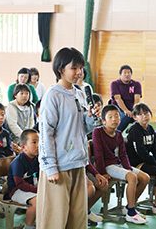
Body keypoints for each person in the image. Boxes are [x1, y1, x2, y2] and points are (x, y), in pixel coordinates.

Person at [37, 47, 100, 229]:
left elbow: (81, 129)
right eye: (74, 68)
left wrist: (90, 117)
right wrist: (50, 167)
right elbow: (45, 133)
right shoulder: (53, 95)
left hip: (77, 163)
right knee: (55, 219)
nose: (79, 72)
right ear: (60, 69)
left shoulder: (79, 93)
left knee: (76, 218)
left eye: (80, 68)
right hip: (59, 166)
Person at [93, 104, 149, 224]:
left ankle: (129, 206)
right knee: (132, 177)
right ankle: (131, 213)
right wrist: (102, 172)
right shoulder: (98, 132)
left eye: (117, 116)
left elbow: (123, 155)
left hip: (118, 165)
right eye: (110, 117)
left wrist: (128, 168)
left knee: (145, 178)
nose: (114, 119)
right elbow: (98, 155)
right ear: (103, 121)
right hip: (107, 166)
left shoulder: (118, 134)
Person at [7, 129, 39, 229]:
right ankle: (28, 226)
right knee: (37, 201)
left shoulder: (37, 159)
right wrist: (37, 190)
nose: (38, 145)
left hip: (31, 189)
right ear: (24, 147)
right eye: (34, 142)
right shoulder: (19, 162)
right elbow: (20, 184)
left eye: (39, 141)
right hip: (16, 191)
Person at [110, 65, 142, 132]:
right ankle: (115, 133)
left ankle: (132, 131)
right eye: (125, 73)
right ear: (120, 74)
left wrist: (134, 110)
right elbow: (118, 99)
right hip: (118, 108)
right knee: (127, 116)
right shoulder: (114, 84)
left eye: (129, 73)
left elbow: (137, 99)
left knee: (142, 116)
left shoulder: (136, 84)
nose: (127, 74)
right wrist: (126, 110)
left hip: (132, 108)